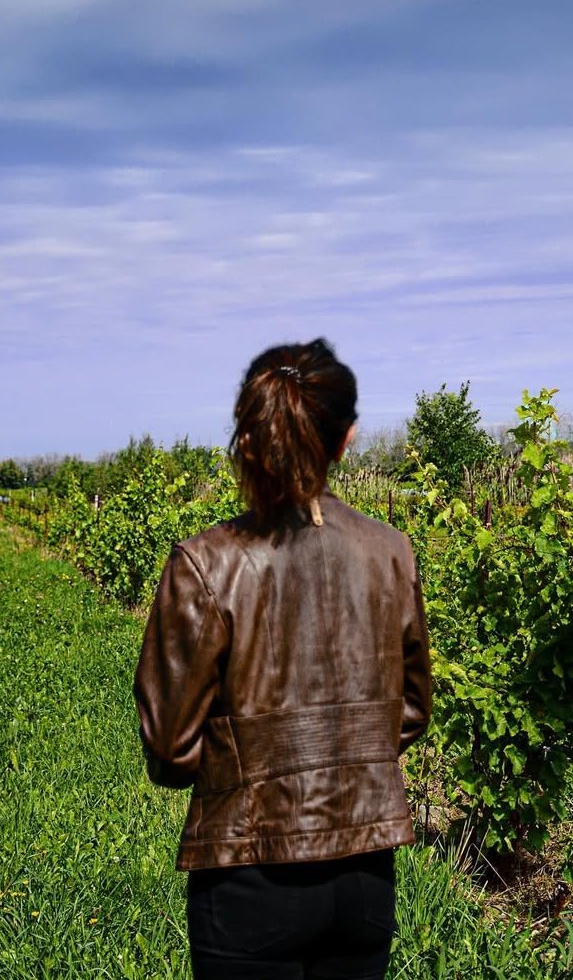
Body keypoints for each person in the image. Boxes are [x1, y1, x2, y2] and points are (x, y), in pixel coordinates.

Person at [134, 338, 432, 979]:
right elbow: (409, 714)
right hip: (366, 872)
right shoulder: (392, 552)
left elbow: (169, 747)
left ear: (249, 438)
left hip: (248, 875)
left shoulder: (203, 564)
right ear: (345, 440)